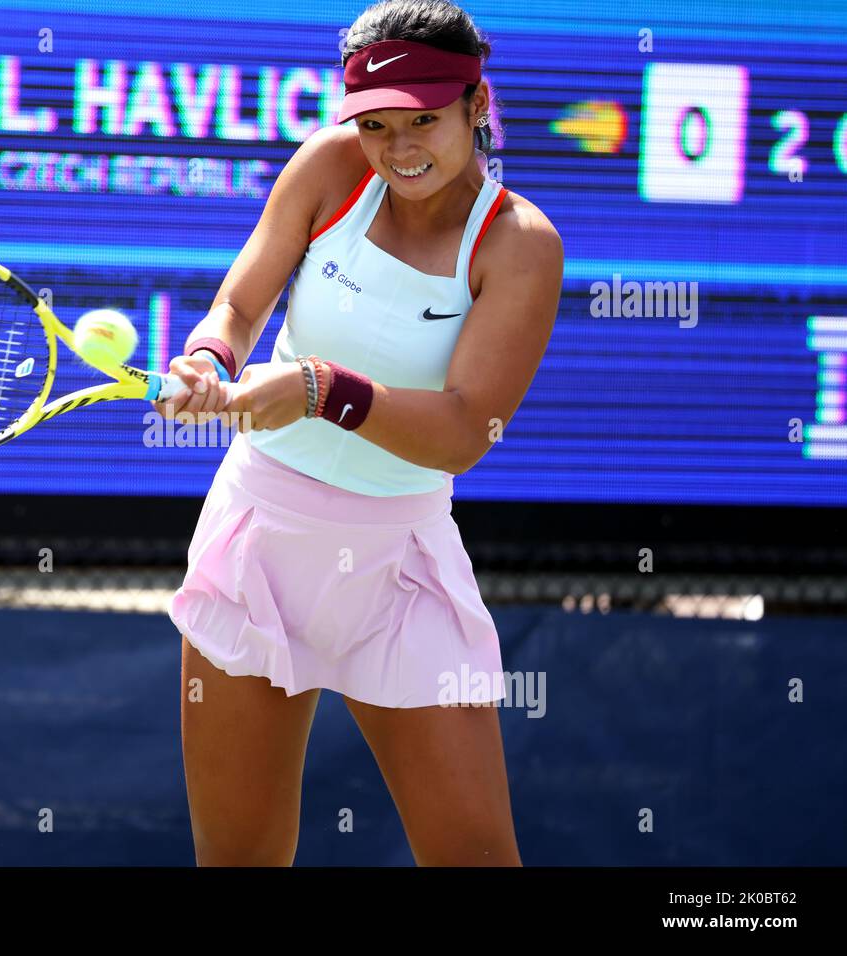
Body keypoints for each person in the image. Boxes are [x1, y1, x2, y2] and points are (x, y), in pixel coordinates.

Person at [157, 0, 562, 866]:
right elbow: (240, 301)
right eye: (376, 125)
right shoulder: (333, 166)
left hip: (402, 568)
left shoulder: (521, 244)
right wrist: (208, 355)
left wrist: (314, 388)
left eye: (423, 121)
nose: (400, 147)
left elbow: (462, 432)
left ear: (476, 103)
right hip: (257, 546)